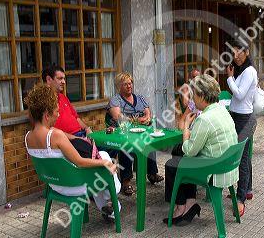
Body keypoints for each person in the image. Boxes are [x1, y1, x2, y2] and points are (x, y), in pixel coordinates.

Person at [24, 84, 121, 220]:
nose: (58, 115)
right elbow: (80, 162)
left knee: (101, 165)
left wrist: (76, 138)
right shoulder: (56, 135)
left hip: (54, 185)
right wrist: (105, 162)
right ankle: (112, 199)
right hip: (72, 185)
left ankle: (109, 206)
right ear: (46, 115)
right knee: (105, 161)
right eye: (57, 112)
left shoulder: (28, 137)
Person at [163, 74, 238, 226]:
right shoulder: (222, 109)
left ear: (202, 96)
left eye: (194, 95)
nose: (192, 98)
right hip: (228, 164)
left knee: (171, 164)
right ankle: (190, 202)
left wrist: (186, 130)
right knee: (178, 153)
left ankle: (180, 206)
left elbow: (190, 151)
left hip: (215, 170)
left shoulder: (205, 118)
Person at [105, 72, 164, 196]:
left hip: (139, 131)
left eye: (130, 83)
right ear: (119, 87)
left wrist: (147, 118)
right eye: (125, 84)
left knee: (149, 140)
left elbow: (148, 112)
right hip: (121, 133)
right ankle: (126, 181)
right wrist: (138, 120)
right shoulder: (116, 100)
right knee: (127, 146)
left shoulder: (139, 98)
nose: (129, 86)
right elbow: (118, 117)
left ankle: (152, 173)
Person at [226, 44, 258, 217]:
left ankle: (240, 199)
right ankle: (248, 189)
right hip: (237, 116)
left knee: (242, 157)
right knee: (244, 155)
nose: (236, 56)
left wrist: (230, 78)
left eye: (239, 52)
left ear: (247, 52)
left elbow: (239, 94)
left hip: (244, 119)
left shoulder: (249, 72)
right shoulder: (242, 71)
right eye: (233, 53)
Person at [42, 66, 99, 158]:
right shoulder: (44, 102)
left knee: (112, 146)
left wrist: (87, 129)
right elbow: (49, 131)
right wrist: (78, 138)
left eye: (64, 79)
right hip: (69, 140)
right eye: (60, 79)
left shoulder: (63, 97)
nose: (64, 82)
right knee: (99, 153)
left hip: (81, 135)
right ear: (49, 79)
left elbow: (76, 118)